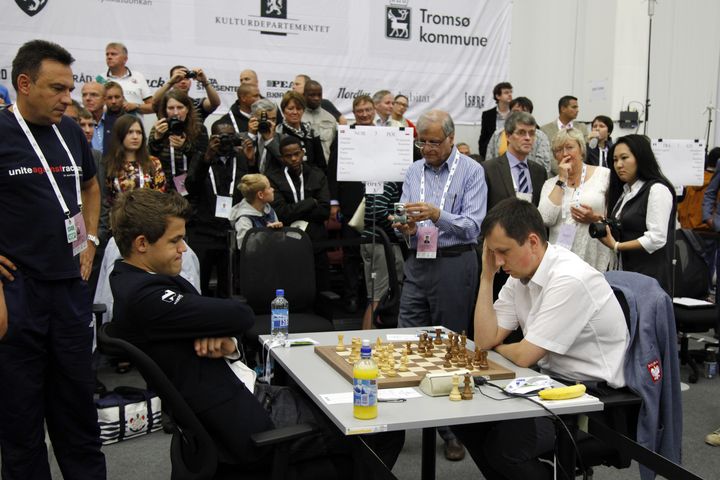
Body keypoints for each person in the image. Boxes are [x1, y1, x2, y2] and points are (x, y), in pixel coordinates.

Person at [108, 188, 403, 475]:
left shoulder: (135, 281)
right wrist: (217, 323)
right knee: (383, 426)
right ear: (142, 243)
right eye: (175, 241)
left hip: (241, 395)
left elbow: (219, 320)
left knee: (355, 403)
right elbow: (239, 314)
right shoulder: (144, 297)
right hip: (250, 417)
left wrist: (224, 338)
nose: (183, 248)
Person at [454, 197, 627, 479]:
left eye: (503, 252)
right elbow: (484, 342)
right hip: (548, 384)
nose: (499, 261)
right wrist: (487, 277)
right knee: (466, 422)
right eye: (493, 253)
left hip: (592, 399)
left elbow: (525, 356)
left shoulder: (569, 278)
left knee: (506, 448)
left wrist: (501, 346)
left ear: (533, 242)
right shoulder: (517, 275)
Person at [0, 39, 106, 479]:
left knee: (78, 415)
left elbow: (92, 186)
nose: (68, 98)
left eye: (70, 88)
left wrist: (92, 239)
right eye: (57, 88)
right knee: (20, 423)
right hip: (17, 291)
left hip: (69, 290)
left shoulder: (70, 132)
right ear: (24, 84)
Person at [394, 109, 487, 461]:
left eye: (435, 142)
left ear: (451, 138)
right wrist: (405, 226)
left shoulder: (472, 171)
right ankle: (401, 420)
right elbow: (407, 216)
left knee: (448, 343)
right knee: (407, 338)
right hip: (418, 260)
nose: (428, 148)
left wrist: (437, 215)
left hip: (454, 261)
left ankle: (451, 430)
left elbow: (473, 226)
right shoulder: (413, 170)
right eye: (423, 142)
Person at [597, 134, 676, 293]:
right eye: (615, 160)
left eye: (624, 158)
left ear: (641, 158)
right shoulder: (625, 192)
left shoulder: (657, 190)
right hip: (625, 273)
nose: (619, 165)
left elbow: (657, 238)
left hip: (648, 279)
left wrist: (617, 246)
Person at [184, 122, 252, 297]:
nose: (225, 141)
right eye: (222, 137)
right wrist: (207, 158)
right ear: (212, 138)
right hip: (203, 230)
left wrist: (251, 162)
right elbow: (191, 187)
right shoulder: (201, 157)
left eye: (230, 136)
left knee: (228, 284)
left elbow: (251, 189)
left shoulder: (241, 158)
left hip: (230, 230)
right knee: (200, 282)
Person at [538, 128, 613, 271]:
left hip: (594, 253)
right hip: (560, 259)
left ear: (581, 150)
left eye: (570, 147)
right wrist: (561, 179)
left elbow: (616, 215)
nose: (565, 153)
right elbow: (545, 218)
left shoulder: (603, 175)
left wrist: (595, 218)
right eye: (559, 150)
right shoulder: (550, 184)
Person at [266, 136, 331, 290]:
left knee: (320, 283)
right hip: (286, 238)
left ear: (303, 152)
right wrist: (310, 202)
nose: (294, 159)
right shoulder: (273, 178)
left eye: (296, 154)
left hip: (316, 239)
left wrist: (294, 210)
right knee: (290, 283)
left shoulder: (317, 174)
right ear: (282, 158)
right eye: (288, 156)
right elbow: (281, 213)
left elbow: (324, 211)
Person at [149, 89, 209, 194]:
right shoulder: (159, 128)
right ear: (165, 110)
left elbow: (204, 161)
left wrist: (184, 147)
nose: (176, 112)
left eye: (180, 107)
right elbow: (150, 159)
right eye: (171, 108)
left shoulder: (199, 129)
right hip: (163, 186)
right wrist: (157, 139)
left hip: (191, 186)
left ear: (187, 109)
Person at [104, 114, 166, 206]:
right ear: (120, 134)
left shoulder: (153, 162)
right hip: (119, 214)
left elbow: (161, 195)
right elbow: (107, 199)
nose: (135, 137)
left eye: (139, 132)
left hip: (150, 213)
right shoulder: (109, 164)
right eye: (130, 132)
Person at [485, 96, 552, 175]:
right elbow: (489, 158)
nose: (520, 115)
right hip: (500, 177)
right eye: (516, 111)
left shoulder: (540, 136)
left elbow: (544, 164)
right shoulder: (498, 134)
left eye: (524, 111)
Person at [275, 90, 326, 172]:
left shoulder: (311, 132)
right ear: (283, 111)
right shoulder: (278, 133)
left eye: (299, 108)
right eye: (290, 109)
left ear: (303, 110)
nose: (295, 112)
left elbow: (321, 163)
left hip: (311, 177)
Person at [229, 173, 283, 248]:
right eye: (269, 187)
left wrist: (279, 233)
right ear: (260, 195)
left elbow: (278, 243)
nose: (273, 189)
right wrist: (266, 233)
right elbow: (245, 247)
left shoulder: (269, 210)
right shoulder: (244, 218)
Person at [151, 65, 221, 121]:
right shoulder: (165, 103)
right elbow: (155, 101)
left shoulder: (197, 104)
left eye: (186, 78)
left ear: (190, 82)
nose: (183, 82)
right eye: (178, 78)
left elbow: (215, 103)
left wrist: (205, 82)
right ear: (172, 80)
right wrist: (170, 83)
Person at [541, 95, 589, 174]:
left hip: (579, 175)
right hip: (555, 176)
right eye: (574, 107)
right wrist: (563, 171)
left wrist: (575, 171)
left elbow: (584, 153)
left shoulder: (582, 128)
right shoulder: (545, 130)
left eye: (577, 107)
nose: (577, 110)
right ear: (563, 109)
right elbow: (548, 157)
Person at [104, 42, 153, 115]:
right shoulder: (100, 79)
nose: (109, 57)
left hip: (134, 121)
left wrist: (136, 106)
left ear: (125, 59)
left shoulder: (138, 77)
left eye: (113, 54)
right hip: (108, 121)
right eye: (107, 54)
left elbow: (152, 107)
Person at [302, 80, 337, 164]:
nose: (316, 98)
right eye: (312, 95)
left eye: (319, 95)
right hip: (304, 167)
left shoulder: (330, 119)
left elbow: (334, 147)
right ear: (304, 95)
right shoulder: (297, 117)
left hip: (326, 167)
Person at [478, 82, 512, 160]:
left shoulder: (515, 113)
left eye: (510, 92)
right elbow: (483, 138)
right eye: (506, 92)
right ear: (497, 96)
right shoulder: (487, 115)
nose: (510, 94)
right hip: (493, 154)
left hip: (511, 152)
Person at [98, 81, 126, 154]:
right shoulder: (100, 121)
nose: (113, 101)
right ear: (104, 100)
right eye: (110, 98)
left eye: (117, 97)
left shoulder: (132, 121)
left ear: (123, 98)